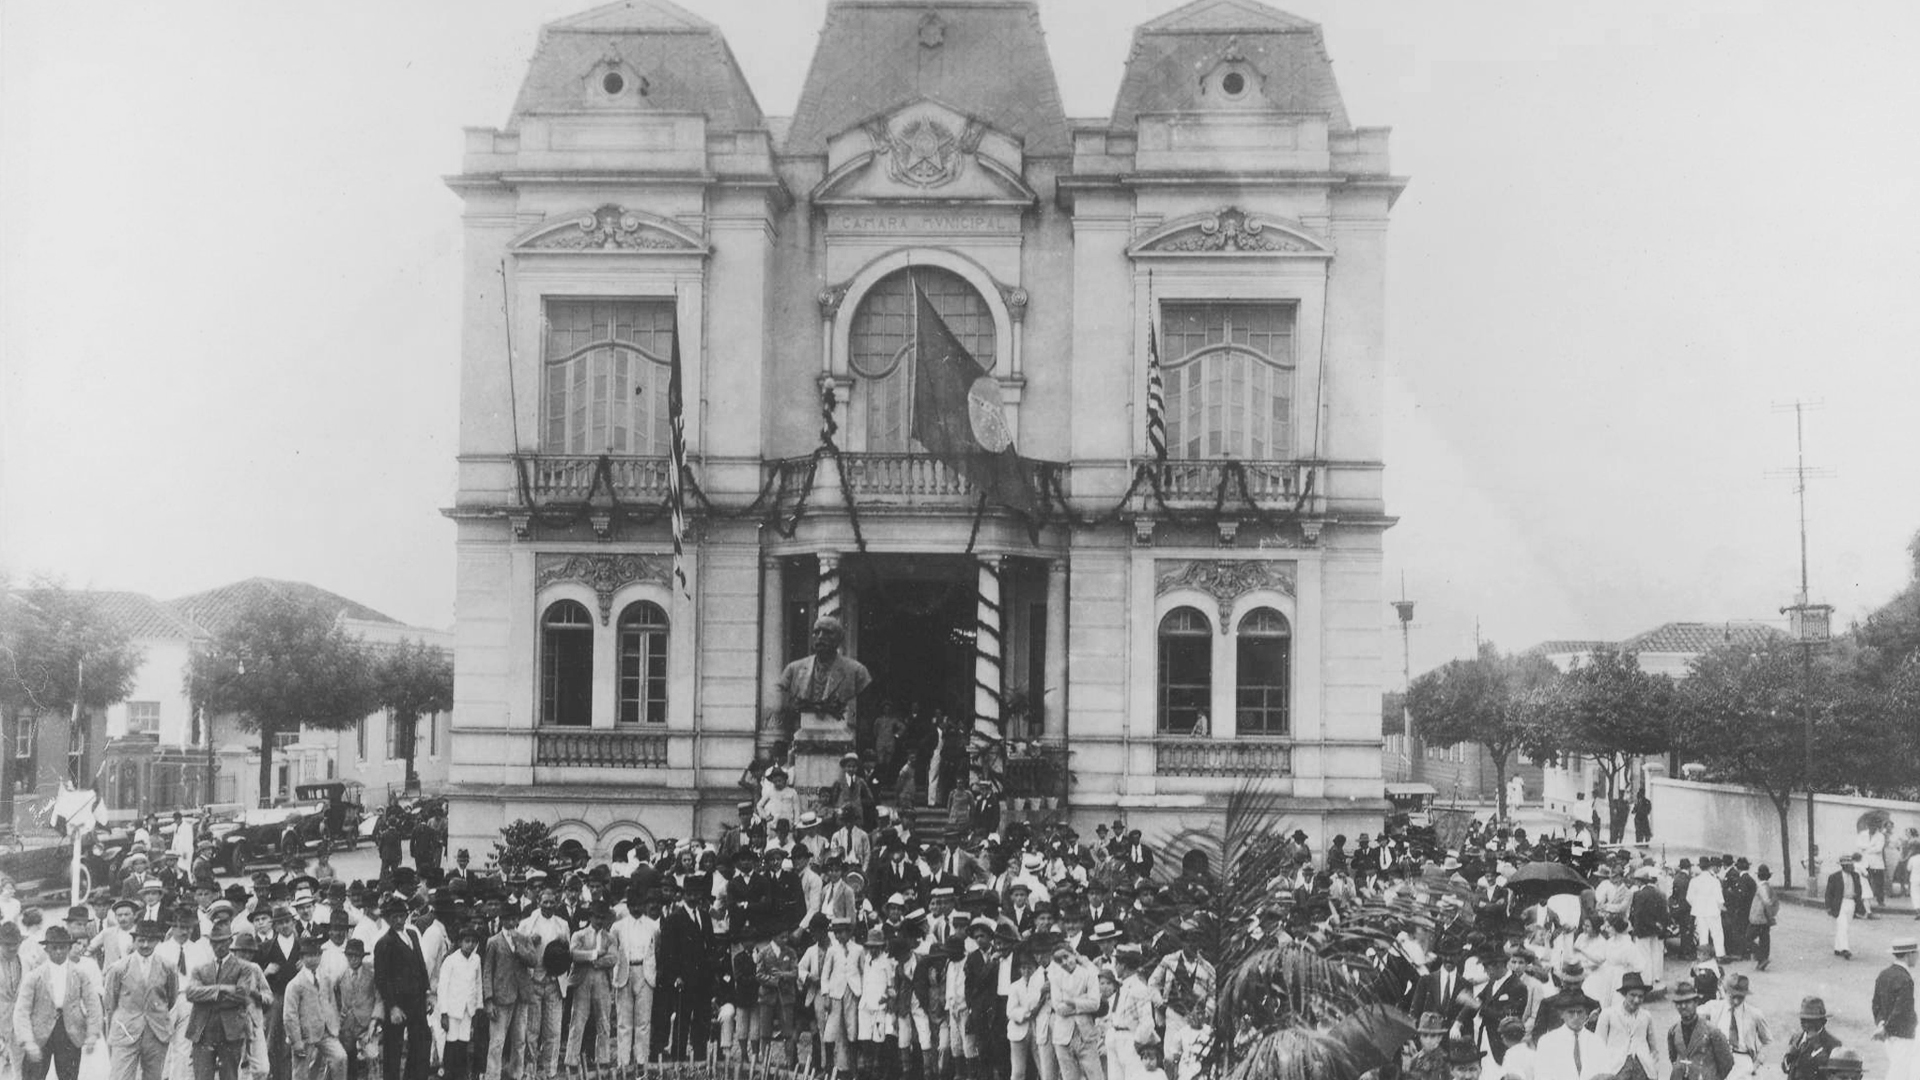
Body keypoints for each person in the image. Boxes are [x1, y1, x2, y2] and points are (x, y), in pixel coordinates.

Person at [14, 925, 99, 1080]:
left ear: (69, 948)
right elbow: (22, 1011)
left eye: (63, 947)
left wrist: (92, 1033)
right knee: (33, 1076)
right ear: (46, 949)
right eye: (54, 948)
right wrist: (27, 1041)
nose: (59, 952)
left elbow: (93, 1004)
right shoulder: (34, 977)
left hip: (70, 1032)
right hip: (39, 1033)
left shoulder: (80, 974)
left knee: (69, 1076)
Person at [185, 923, 266, 1080]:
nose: (218, 946)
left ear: (230, 942)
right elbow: (190, 993)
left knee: (229, 1076)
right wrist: (222, 989)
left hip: (230, 1030)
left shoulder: (244, 967)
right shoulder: (200, 969)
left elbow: (242, 995)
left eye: (222, 941)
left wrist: (206, 996)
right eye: (214, 942)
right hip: (203, 1029)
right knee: (202, 1076)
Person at [775, 616, 873, 742]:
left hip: (837, 731)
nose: (820, 637)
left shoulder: (857, 671)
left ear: (839, 639)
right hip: (806, 731)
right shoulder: (793, 670)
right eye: (816, 632)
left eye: (828, 632)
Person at [101, 919, 176, 1080]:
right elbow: (109, 1002)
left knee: (154, 1076)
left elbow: (171, 998)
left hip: (156, 1031)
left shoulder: (167, 966)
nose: (145, 945)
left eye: (150, 940)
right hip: (126, 1030)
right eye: (141, 940)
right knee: (120, 1076)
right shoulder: (119, 968)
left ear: (157, 941)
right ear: (134, 941)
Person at [371, 897, 432, 1080]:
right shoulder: (384, 943)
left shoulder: (412, 935)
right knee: (393, 1050)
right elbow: (381, 979)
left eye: (402, 916)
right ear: (388, 918)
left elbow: (421, 965)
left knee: (422, 1042)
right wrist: (392, 1007)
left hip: (417, 1000)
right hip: (397, 1003)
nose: (399, 920)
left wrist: (428, 992)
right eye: (394, 917)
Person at [285, 938, 346, 1080]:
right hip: (305, 1035)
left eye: (317, 955)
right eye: (309, 955)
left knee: (340, 1058)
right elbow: (289, 1016)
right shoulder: (295, 984)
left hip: (326, 1031)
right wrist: (296, 1041)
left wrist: (334, 1026)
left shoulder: (325, 978)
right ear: (302, 958)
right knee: (301, 1072)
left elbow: (331, 1004)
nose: (314, 959)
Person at [435, 926, 484, 1080]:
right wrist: (443, 1012)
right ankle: (448, 1073)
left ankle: (460, 1074)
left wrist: (478, 1008)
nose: (470, 945)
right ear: (459, 942)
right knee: (451, 1042)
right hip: (452, 1009)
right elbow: (442, 988)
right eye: (467, 941)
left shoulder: (476, 960)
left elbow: (478, 984)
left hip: (468, 1009)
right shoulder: (451, 960)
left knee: (463, 1042)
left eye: (473, 942)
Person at [1699, 973, 1769, 1080]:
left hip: (1742, 1059)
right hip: (1718, 1058)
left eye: (1740, 997)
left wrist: (1757, 1063)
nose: (1736, 1001)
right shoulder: (1714, 1007)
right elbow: (1691, 1016)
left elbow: (1767, 1041)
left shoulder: (1755, 1014)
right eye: (1733, 996)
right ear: (1725, 992)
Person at [1665, 979, 1734, 1080]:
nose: (1683, 1006)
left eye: (1687, 1002)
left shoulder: (1712, 1032)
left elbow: (1727, 1063)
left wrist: (1711, 1076)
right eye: (1679, 1003)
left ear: (1696, 1002)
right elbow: (1674, 1058)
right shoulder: (1673, 1031)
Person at [1594, 971, 1658, 1080]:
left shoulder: (1646, 1016)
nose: (1636, 1000)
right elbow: (1598, 1045)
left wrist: (1652, 1065)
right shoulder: (1608, 1014)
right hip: (1616, 1066)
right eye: (1632, 995)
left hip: (1642, 1066)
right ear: (1624, 994)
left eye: (1640, 996)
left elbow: (1653, 1048)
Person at [1533, 988, 1606, 1080]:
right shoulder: (1547, 1042)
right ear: (1561, 1014)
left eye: (1580, 1012)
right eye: (1571, 1012)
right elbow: (1542, 1076)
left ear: (1587, 1014)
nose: (1576, 1017)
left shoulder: (1597, 1042)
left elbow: (1605, 1073)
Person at [1871, 938, 1917, 1080]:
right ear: (1909, 954)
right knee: (1900, 1072)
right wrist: (1886, 1027)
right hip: (1903, 1034)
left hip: (1888, 1035)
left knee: (1900, 1068)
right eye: (1916, 953)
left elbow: (1876, 1004)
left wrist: (1881, 1024)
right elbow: (1901, 1009)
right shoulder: (1905, 979)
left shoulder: (1884, 974)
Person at [1782, 997, 1841, 1080]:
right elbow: (1786, 1068)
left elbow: (1833, 1075)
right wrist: (1787, 1059)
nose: (1807, 1024)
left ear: (1823, 1022)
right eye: (1803, 1020)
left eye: (1812, 1021)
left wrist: (1817, 1047)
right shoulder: (1796, 1038)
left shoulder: (1833, 1044)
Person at [1827, 854, 1869, 960]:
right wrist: (1828, 906)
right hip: (1839, 903)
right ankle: (1845, 949)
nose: (1852, 867)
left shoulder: (1855, 875)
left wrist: (1859, 904)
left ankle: (1838, 948)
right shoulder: (1834, 877)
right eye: (1850, 865)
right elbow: (1829, 893)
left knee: (1845, 926)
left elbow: (1858, 890)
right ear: (1844, 866)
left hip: (1851, 903)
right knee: (1843, 926)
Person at [1748, 865, 1779, 971]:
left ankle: (1761, 957)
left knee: (1747, 939)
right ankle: (1763, 960)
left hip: (1758, 917)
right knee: (1764, 938)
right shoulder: (1769, 887)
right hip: (1766, 918)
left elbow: (1766, 901)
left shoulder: (1761, 887)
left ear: (1758, 876)